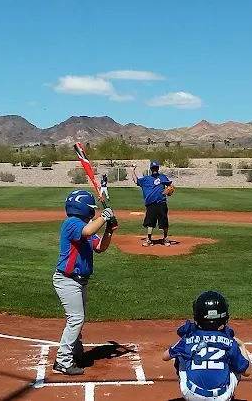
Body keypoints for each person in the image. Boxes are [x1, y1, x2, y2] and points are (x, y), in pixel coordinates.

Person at [52, 189, 116, 376]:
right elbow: (88, 231)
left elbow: (100, 247)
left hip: (80, 281)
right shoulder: (72, 224)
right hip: (67, 280)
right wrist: (104, 217)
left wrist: (109, 230)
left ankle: (75, 352)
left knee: (77, 319)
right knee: (76, 318)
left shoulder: (84, 225)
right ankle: (63, 361)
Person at [162, 291, 252, 401]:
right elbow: (246, 372)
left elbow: (165, 356)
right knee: (235, 361)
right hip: (222, 397)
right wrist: (241, 345)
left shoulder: (187, 339)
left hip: (192, 395)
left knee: (180, 356)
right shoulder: (230, 341)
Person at [131, 161, 173, 246]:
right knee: (150, 222)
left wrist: (169, 190)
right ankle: (149, 239)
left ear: (158, 169)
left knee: (164, 221)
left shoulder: (162, 177)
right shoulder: (146, 179)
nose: (154, 170)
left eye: (156, 168)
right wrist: (132, 170)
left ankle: (165, 238)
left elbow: (170, 185)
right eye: (153, 168)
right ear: (151, 169)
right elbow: (136, 181)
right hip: (151, 204)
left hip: (161, 202)